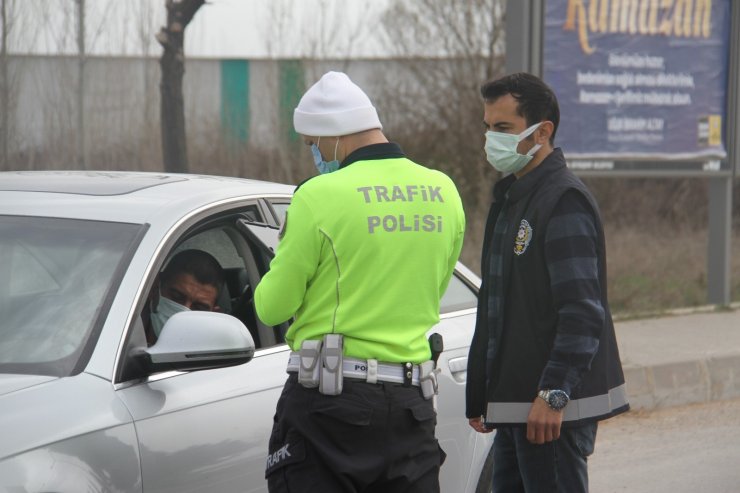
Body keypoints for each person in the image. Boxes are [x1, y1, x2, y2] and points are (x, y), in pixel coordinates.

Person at [254, 71, 465, 492]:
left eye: (313, 144)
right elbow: (431, 290)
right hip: (412, 405)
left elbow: (271, 307)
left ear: (332, 135)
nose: (315, 154)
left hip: (330, 407)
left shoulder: (318, 195)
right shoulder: (444, 190)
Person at [465, 72, 629, 492]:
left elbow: (581, 310)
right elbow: (499, 308)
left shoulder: (562, 200)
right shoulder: (513, 200)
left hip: (550, 414)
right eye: (488, 128)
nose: (491, 139)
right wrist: (481, 394)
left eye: (503, 129)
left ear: (543, 131)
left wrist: (554, 393)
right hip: (516, 407)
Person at [143, 249, 225, 345]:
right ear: (154, 290)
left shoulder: (211, 354)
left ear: (214, 315)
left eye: (198, 308)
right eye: (176, 297)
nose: (183, 312)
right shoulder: (124, 329)